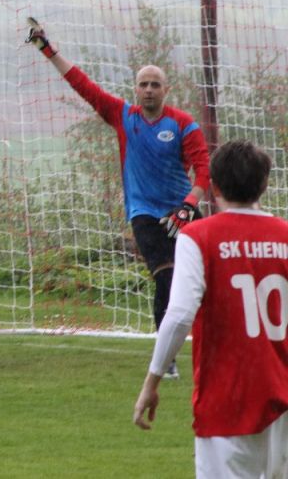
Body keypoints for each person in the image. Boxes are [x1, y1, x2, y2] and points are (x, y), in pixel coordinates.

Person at [26, 18, 210, 378]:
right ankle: (167, 358)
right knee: (166, 279)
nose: (149, 89)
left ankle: (228, 343)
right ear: (135, 89)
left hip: (182, 212)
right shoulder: (123, 116)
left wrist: (188, 206)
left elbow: (204, 170)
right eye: (144, 84)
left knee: (209, 279)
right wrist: (48, 49)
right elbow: (83, 86)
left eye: (156, 84)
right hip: (144, 215)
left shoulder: (183, 124)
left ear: (166, 89)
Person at [133, 139, 288, 478]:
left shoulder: (198, 237)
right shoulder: (285, 235)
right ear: (264, 184)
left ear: (214, 186)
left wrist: (152, 382)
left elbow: (179, 316)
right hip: (282, 397)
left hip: (226, 398)